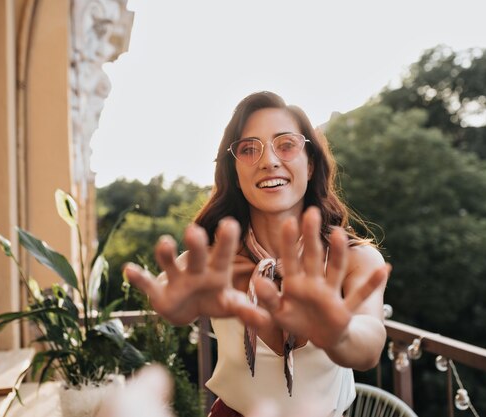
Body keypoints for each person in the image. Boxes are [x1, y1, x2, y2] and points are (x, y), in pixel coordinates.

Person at [124, 91, 390, 417]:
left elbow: (370, 343)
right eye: (249, 149)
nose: (268, 161)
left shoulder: (353, 260)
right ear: (234, 172)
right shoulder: (216, 261)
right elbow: (171, 285)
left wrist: (340, 334)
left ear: (310, 164)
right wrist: (171, 302)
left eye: (286, 144)